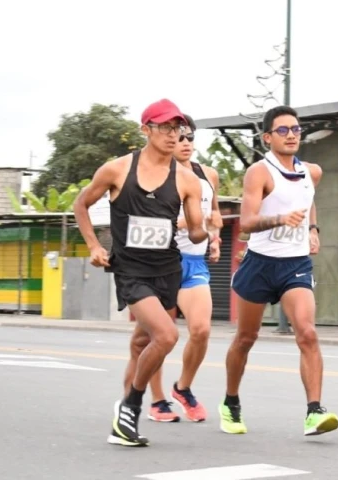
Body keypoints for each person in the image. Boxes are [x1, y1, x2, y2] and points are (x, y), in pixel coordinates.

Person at [72, 99, 220, 447]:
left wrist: (209, 230)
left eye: (178, 129)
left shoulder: (187, 180)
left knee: (143, 341)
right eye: (166, 128)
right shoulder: (117, 170)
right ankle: (131, 408)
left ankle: (125, 403)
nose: (173, 135)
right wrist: (94, 246)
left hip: (168, 269)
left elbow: (195, 232)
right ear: (146, 130)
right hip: (130, 270)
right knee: (167, 336)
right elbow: (81, 204)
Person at [220, 105, 338, 437]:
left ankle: (314, 411)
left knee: (307, 332)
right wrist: (279, 219)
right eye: (283, 130)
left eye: (296, 129)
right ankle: (230, 402)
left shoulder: (311, 171)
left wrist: (313, 228)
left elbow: (308, 198)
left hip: (295, 265)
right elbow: (246, 222)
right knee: (245, 338)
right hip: (259, 264)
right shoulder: (260, 172)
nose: (291, 135)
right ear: (268, 137)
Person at [146, 113, 223, 423]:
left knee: (201, 330)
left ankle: (183, 388)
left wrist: (214, 238)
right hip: (162, 261)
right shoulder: (154, 177)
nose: (186, 142)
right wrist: (194, 223)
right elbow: (152, 222)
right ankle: (156, 400)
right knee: (159, 337)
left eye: (190, 137)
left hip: (193, 262)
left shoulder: (209, 175)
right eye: (179, 137)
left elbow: (213, 213)